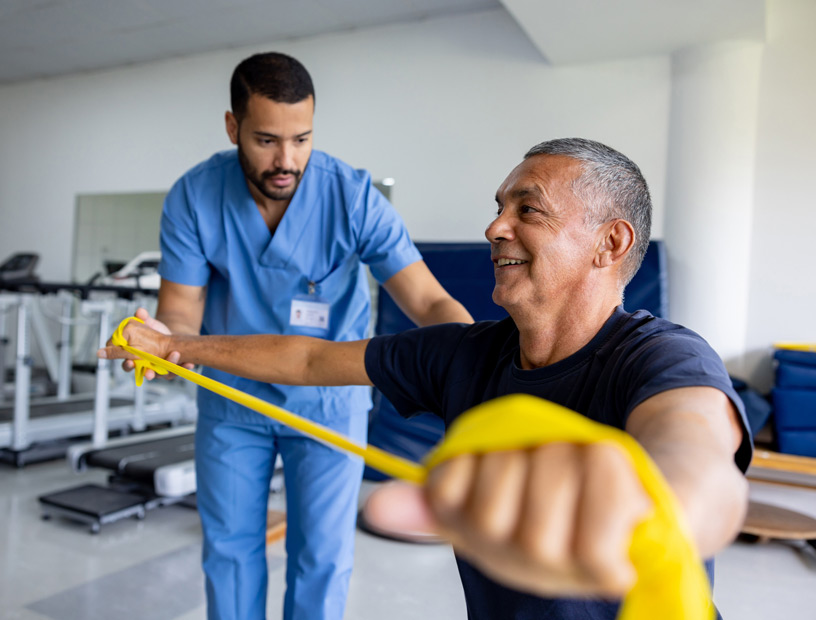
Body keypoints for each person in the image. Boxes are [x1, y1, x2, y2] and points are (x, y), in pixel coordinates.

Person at [102, 138, 752, 619]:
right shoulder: (463, 355)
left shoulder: (662, 356)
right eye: (499, 207)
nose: (495, 227)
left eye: (529, 209)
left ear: (610, 244)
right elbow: (306, 360)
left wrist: (647, 500)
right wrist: (177, 345)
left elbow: (694, 455)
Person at [141, 51, 473, 620]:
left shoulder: (352, 196)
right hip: (232, 399)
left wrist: (478, 359)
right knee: (229, 551)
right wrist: (162, 341)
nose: (286, 160)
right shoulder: (195, 196)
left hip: (326, 401)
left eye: (301, 139)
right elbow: (179, 313)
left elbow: (426, 299)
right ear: (232, 127)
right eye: (267, 140)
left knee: (320, 557)